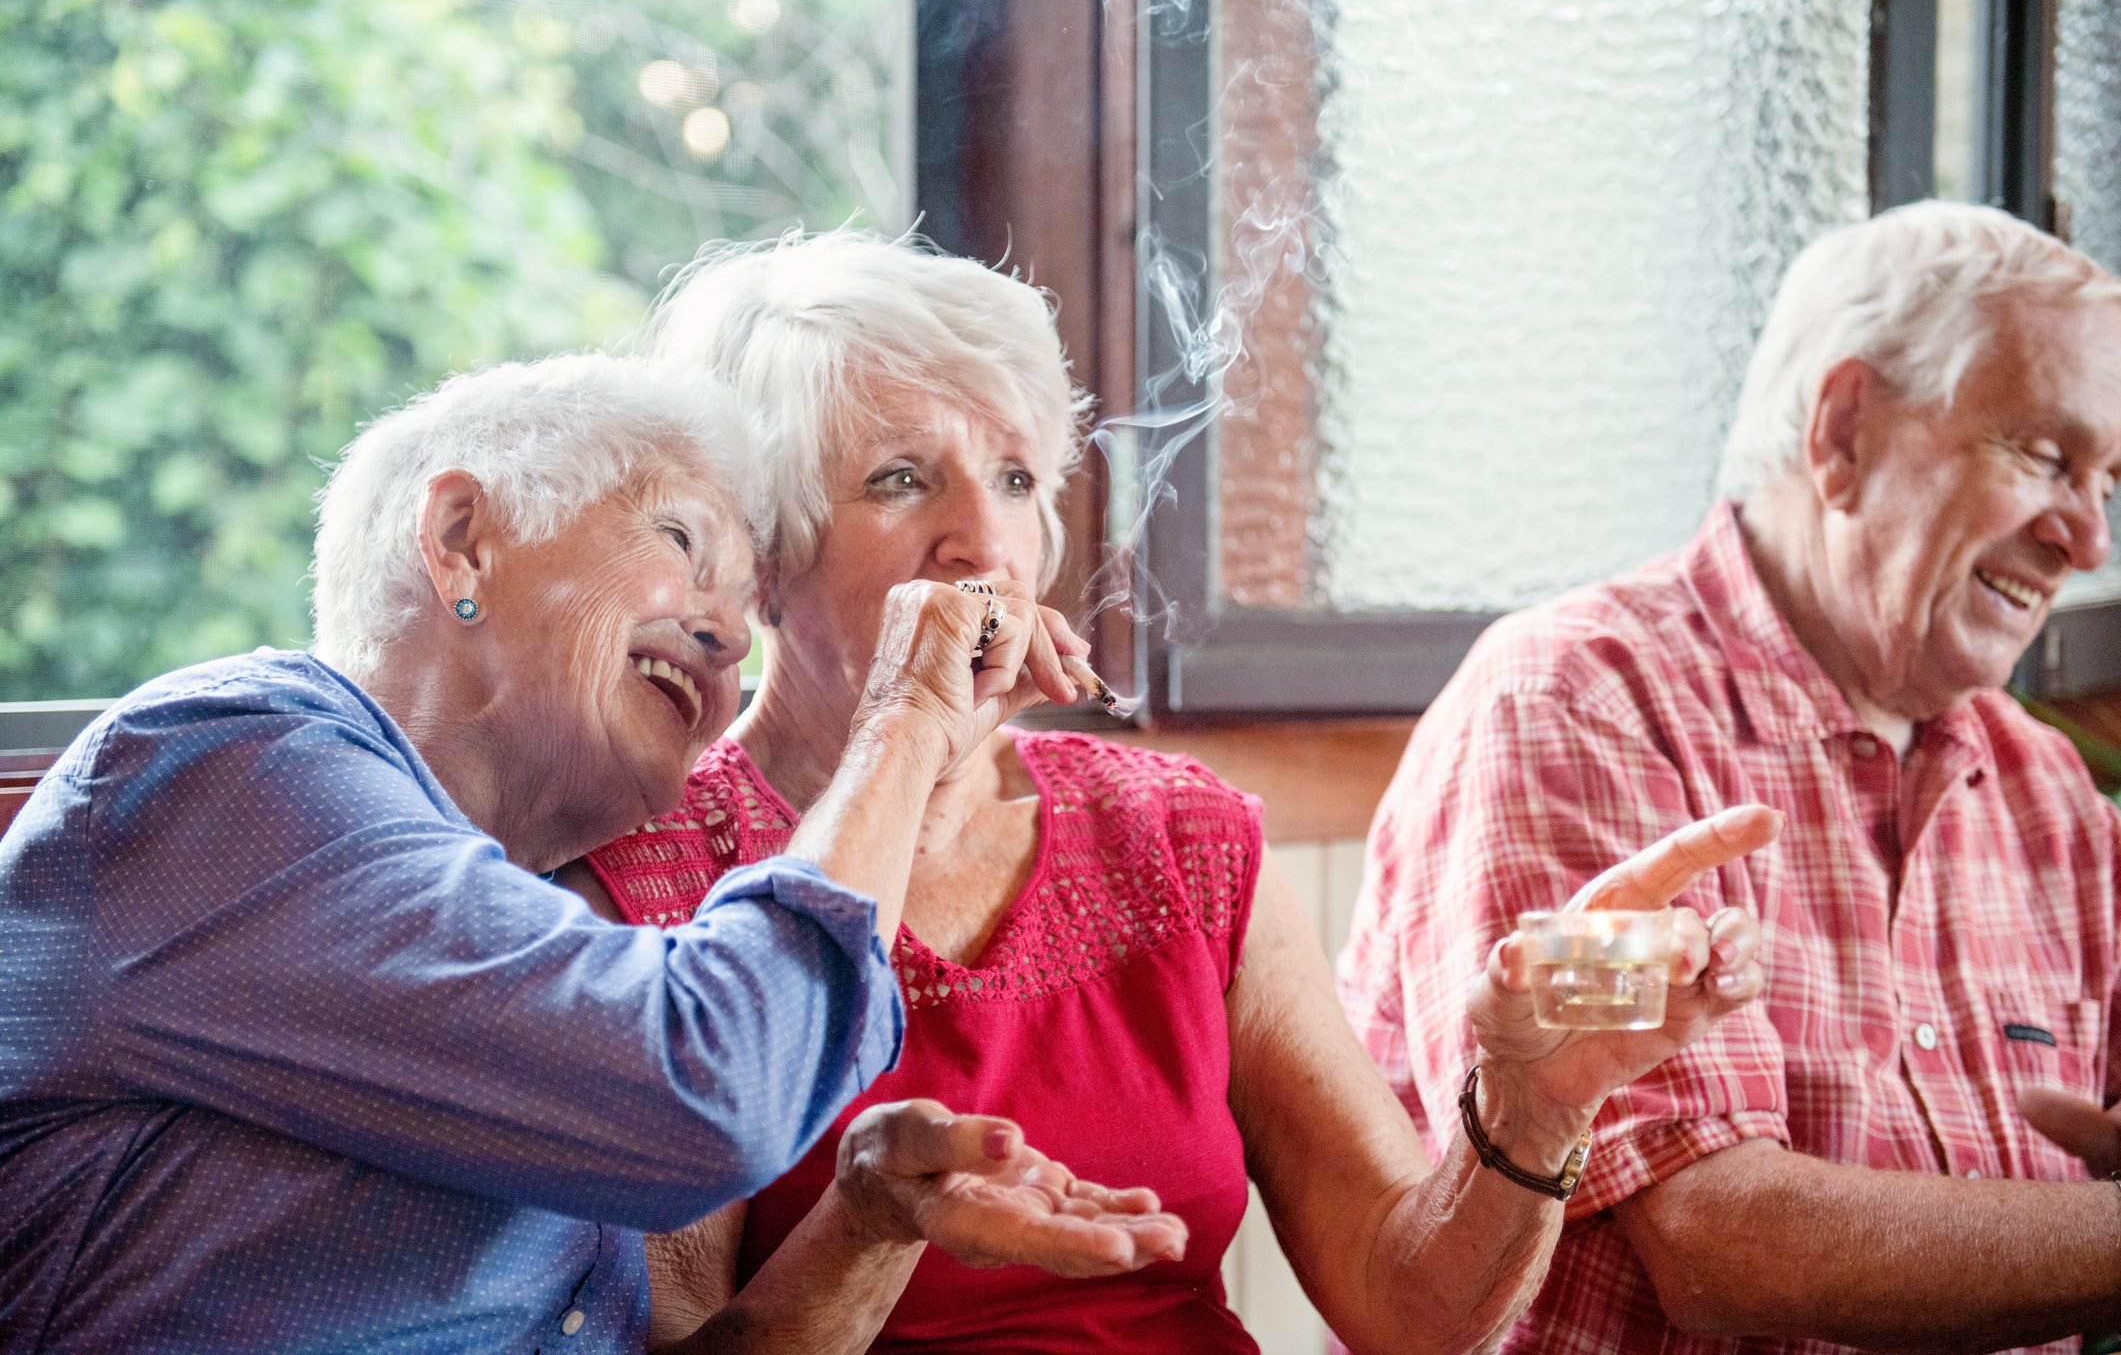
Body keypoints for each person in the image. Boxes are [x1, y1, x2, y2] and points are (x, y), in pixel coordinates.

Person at [579, 229, 1780, 1354]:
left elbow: (1409, 1301)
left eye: (1013, 478)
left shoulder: (1178, 836)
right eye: (901, 480)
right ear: (762, 560)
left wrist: (1530, 1109)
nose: (984, 545)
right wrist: (866, 1227)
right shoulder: (642, 878)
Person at [0, 352, 1178, 1354]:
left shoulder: (526, 918)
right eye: (679, 540)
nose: (727, 639)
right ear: (461, 540)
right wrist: (908, 711)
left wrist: (865, 1220)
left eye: (744, 609)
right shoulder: (224, 768)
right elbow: (708, 1088)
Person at [1339, 200, 2121, 1353]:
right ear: (1843, 432)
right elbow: (1714, 1243)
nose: (2088, 540)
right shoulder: (1577, 699)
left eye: (2108, 481)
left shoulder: (2044, 788)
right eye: (2045, 456)